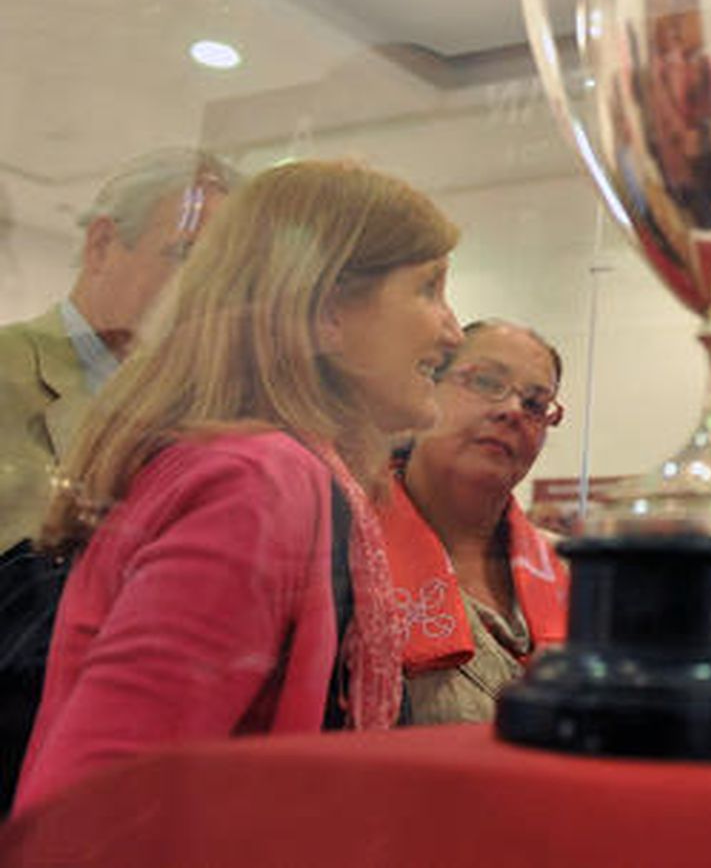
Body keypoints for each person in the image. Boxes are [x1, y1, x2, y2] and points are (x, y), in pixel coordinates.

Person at [13, 160, 463, 812]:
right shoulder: (257, 485)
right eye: (429, 288)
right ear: (327, 312)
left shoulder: (268, 474)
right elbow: (95, 802)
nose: (451, 329)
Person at [0, 149, 240, 548]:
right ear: (102, 243)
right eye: (185, 255)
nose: (203, 292)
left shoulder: (195, 410)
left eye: (220, 272)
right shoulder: (8, 370)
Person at [379, 320, 569, 724]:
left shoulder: (573, 573)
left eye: (535, 404)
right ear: (426, 388)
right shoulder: (349, 550)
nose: (512, 411)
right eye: (485, 381)